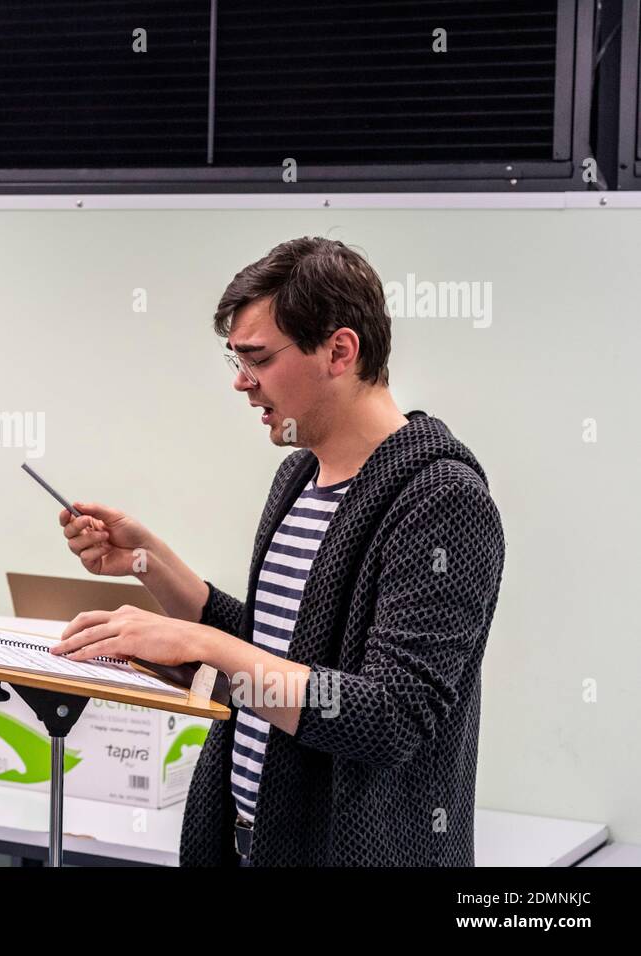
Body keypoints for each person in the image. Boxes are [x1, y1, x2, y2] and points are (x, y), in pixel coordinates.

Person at [51, 237, 505, 866]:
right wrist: (147, 562)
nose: (241, 382)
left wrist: (202, 646)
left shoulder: (442, 500)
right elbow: (277, 652)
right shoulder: (298, 475)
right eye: (235, 359)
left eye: (257, 358)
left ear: (339, 351)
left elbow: (390, 716)